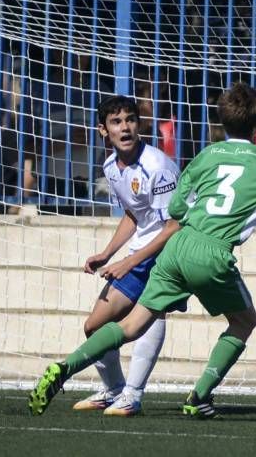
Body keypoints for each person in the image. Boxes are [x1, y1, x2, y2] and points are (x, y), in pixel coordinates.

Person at [27, 82, 256, 419]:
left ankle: (65, 367)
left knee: (131, 325)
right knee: (244, 320)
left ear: (221, 122)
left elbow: (177, 206)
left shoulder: (207, 154)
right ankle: (199, 396)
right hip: (212, 252)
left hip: (176, 247)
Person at [68, 94, 181, 416]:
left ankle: (132, 395)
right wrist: (107, 253)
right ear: (103, 130)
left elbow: (173, 226)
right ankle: (114, 390)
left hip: (170, 248)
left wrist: (128, 261)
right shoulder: (110, 166)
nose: (125, 127)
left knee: (152, 314)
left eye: (130, 119)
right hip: (141, 249)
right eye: (116, 122)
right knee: (94, 327)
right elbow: (134, 214)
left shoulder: (158, 167)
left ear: (139, 124)